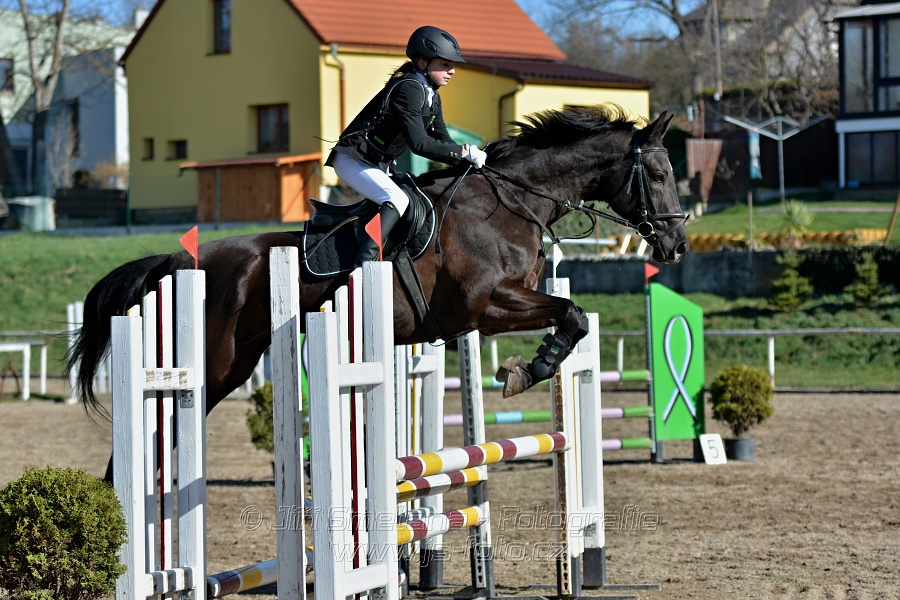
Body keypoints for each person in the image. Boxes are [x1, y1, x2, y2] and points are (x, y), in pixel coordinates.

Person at [325, 25, 488, 267]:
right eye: (444, 64)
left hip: (377, 163)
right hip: (354, 159)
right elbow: (420, 144)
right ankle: (364, 269)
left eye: (452, 65)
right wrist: (463, 152)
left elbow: (443, 140)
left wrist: (469, 164)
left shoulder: (431, 94)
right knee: (397, 199)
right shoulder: (410, 88)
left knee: (411, 195)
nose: (452, 71)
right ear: (422, 63)